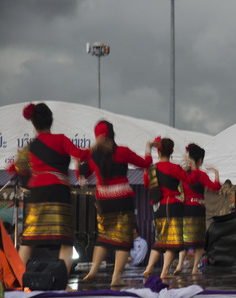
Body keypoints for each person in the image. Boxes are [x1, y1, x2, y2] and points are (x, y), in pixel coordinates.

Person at [18, 102, 91, 277]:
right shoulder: (61, 139)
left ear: (33, 123)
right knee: (65, 241)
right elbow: (81, 155)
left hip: (37, 193)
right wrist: (95, 148)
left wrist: (31, 182)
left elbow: (18, 168)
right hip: (59, 191)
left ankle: (18, 282)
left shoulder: (29, 147)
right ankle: (61, 283)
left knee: (29, 240)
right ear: (51, 120)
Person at [79, 120, 153, 286]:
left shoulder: (94, 155)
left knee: (103, 238)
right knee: (123, 241)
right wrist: (148, 148)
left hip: (103, 200)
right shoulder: (123, 152)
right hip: (122, 199)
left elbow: (84, 174)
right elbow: (146, 164)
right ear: (112, 135)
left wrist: (79, 165)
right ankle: (116, 278)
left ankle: (93, 271)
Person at [143, 137, 199, 279]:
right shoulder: (174, 168)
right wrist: (192, 164)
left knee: (160, 239)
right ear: (172, 151)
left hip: (157, 207)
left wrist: (147, 150)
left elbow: (146, 184)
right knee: (172, 241)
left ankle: (149, 268)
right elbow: (192, 180)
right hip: (173, 206)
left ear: (158, 150)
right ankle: (164, 272)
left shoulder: (151, 169)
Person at [174, 143, 221, 275]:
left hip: (185, 209)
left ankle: (179, 266)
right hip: (198, 209)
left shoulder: (182, 173)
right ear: (200, 160)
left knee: (184, 240)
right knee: (199, 242)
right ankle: (195, 269)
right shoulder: (201, 175)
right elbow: (215, 188)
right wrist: (216, 173)